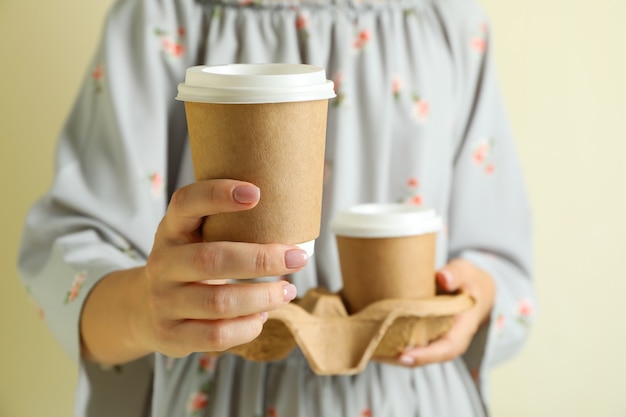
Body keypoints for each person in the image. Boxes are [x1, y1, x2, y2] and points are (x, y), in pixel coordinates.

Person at [18, 0, 536, 416]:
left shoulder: (445, 18)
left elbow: (498, 266)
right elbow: (72, 258)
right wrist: (145, 310)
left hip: (414, 396)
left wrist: (473, 295)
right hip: (218, 399)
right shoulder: (161, 14)